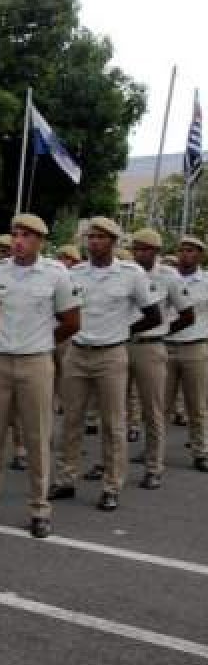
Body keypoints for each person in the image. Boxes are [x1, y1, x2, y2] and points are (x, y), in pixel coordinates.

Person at [0, 214, 79, 538]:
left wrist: (42, 343)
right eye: (15, 234)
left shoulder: (56, 275)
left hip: (35, 362)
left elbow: (71, 321)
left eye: (26, 235)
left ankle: (40, 508)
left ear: (40, 241)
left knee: (37, 436)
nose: (18, 241)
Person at [49, 217, 162, 511]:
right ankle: (65, 479)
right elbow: (60, 310)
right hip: (77, 352)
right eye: (91, 237)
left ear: (113, 242)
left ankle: (112, 485)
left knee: (113, 424)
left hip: (111, 355)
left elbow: (154, 316)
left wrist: (124, 330)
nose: (94, 242)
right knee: (71, 420)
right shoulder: (74, 273)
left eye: (100, 237)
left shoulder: (131, 274)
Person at [124, 228, 193, 490]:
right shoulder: (126, 273)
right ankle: (111, 464)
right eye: (135, 248)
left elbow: (187, 315)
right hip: (120, 344)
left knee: (153, 409)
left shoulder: (169, 277)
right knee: (117, 409)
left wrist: (162, 332)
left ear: (155, 252)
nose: (138, 253)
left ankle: (154, 466)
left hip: (150, 347)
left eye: (144, 249)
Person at [166, 236, 208, 472]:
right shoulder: (167, 279)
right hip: (167, 345)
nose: (184, 254)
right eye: (181, 250)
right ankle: (153, 450)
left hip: (195, 346)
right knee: (160, 405)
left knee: (197, 405)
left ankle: (201, 451)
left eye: (190, 250)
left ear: (200, 255)